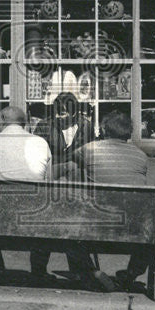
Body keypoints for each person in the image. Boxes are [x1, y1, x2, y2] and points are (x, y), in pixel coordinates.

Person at [71, 111, 150, 292]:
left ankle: (92, 272)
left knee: (69, 228)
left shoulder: (90, 149)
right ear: (129, 133)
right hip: (134, 228)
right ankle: (130, 275)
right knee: (148, 228)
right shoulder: (141, 156)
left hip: (97, 225)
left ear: (103, 130)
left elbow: (73, 158)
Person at [0, 106, 52, 275]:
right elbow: (48, 182)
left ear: (2, 119)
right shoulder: (41, 143)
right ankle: (39, 270)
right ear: (25, 123)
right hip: (33, 214)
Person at [30, 92, 96, 279]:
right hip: (51, 181)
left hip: (75, 184)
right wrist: (64, 166)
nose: (60, 116)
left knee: (72, 224)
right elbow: (37, 153)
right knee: (46, 224)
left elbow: (90, 153)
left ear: (75, 112)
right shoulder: (44, 125)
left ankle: (78, 270)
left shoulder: (86, 125)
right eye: (58, 112)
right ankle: (38, 270)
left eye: (65, 113)